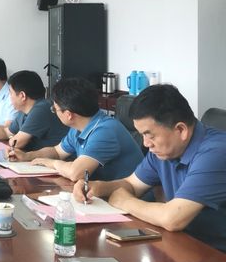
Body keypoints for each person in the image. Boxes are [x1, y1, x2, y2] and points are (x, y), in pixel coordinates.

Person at [73, 84, 226, 252]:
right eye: (142, 135)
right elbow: (132, 185)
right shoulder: (164, 150)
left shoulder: (217, 152)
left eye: (149, 135)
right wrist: (98, 187)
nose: (146, 143)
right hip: (184, 245)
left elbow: (172, 218)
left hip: (216, 255)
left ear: (180, 130)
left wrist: (125, 201)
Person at [8, 78, 143, 182]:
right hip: (100, 194)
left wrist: (51, 163)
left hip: (128, 201)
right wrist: (27, 156)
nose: (54, 111)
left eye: (55, 109)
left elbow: (76, 173)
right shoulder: (79, 127)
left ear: (69, 115)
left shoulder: (104, 131)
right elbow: (57, 152)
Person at [6, 70, 68, 152]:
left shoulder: (42, 108)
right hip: (41, 157)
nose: (9, 97)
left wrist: (12, 138)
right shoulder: (24, 111)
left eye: (10, 93)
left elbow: (17, 143)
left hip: (55, 158)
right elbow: (7, 132)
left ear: (22, 96)